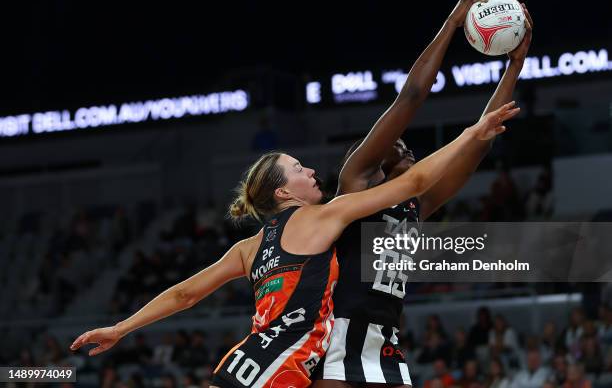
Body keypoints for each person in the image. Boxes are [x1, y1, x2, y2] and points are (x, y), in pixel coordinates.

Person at [69, 98, 518, 387]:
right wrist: (470, 134)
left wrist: (121, 328)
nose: (311, 172)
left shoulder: (247, 249)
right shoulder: (321, 218)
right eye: (300, 169)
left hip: (250, 358)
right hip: (286, 360)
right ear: (284, 192)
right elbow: (417, 179)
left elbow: (185, 293)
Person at [313, 0, 533, 388]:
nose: (406, 144)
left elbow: (479, 144)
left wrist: (514, 67)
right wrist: (452, 22)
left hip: (386, 342)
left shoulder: (416, 205)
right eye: (396, 147)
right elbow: (412, 96)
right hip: (340, 338)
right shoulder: (356, 184)